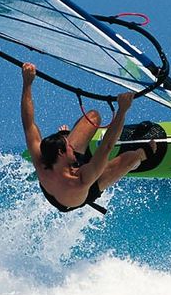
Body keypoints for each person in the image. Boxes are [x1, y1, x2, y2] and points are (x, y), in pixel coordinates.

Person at [21, 62, 155, 215]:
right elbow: (107, 146)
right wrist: (122, 110)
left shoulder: (41, 161)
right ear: (61, 153)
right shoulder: (81, 180)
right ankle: (144, 154)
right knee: (131, 159)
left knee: (93, 117)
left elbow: (28, 124)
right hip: (80, 193)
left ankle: (70, 139)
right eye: (68, 145)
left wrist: (27, 83)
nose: (71, 146)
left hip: (63, 169)